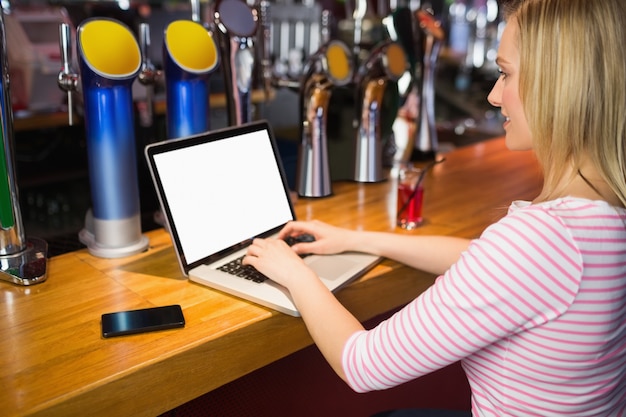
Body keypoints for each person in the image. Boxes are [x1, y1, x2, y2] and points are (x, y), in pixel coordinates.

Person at [243, 0, 626, 415]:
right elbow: (484, 260)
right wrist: (357, 239)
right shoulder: (602, 211)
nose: (495, 96)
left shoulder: (538, 240)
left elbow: (363, 364)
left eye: (506, 73)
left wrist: (293, 273)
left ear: (561, 83)